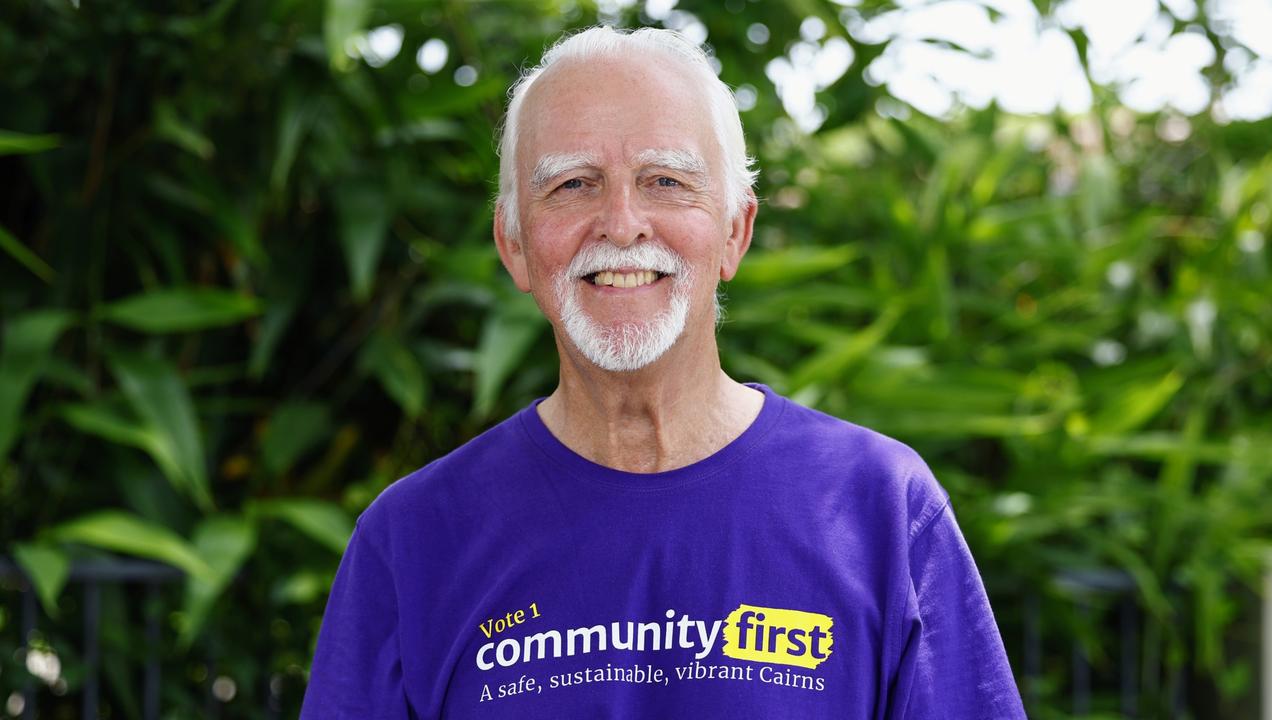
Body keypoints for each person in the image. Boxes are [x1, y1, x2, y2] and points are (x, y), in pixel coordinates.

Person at [301, 25, 1026, 720]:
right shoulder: (413, 542)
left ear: (735, 233)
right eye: (573, 186)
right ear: (514, 243)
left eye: (666, 180)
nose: (622, 223)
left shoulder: (881, 512)